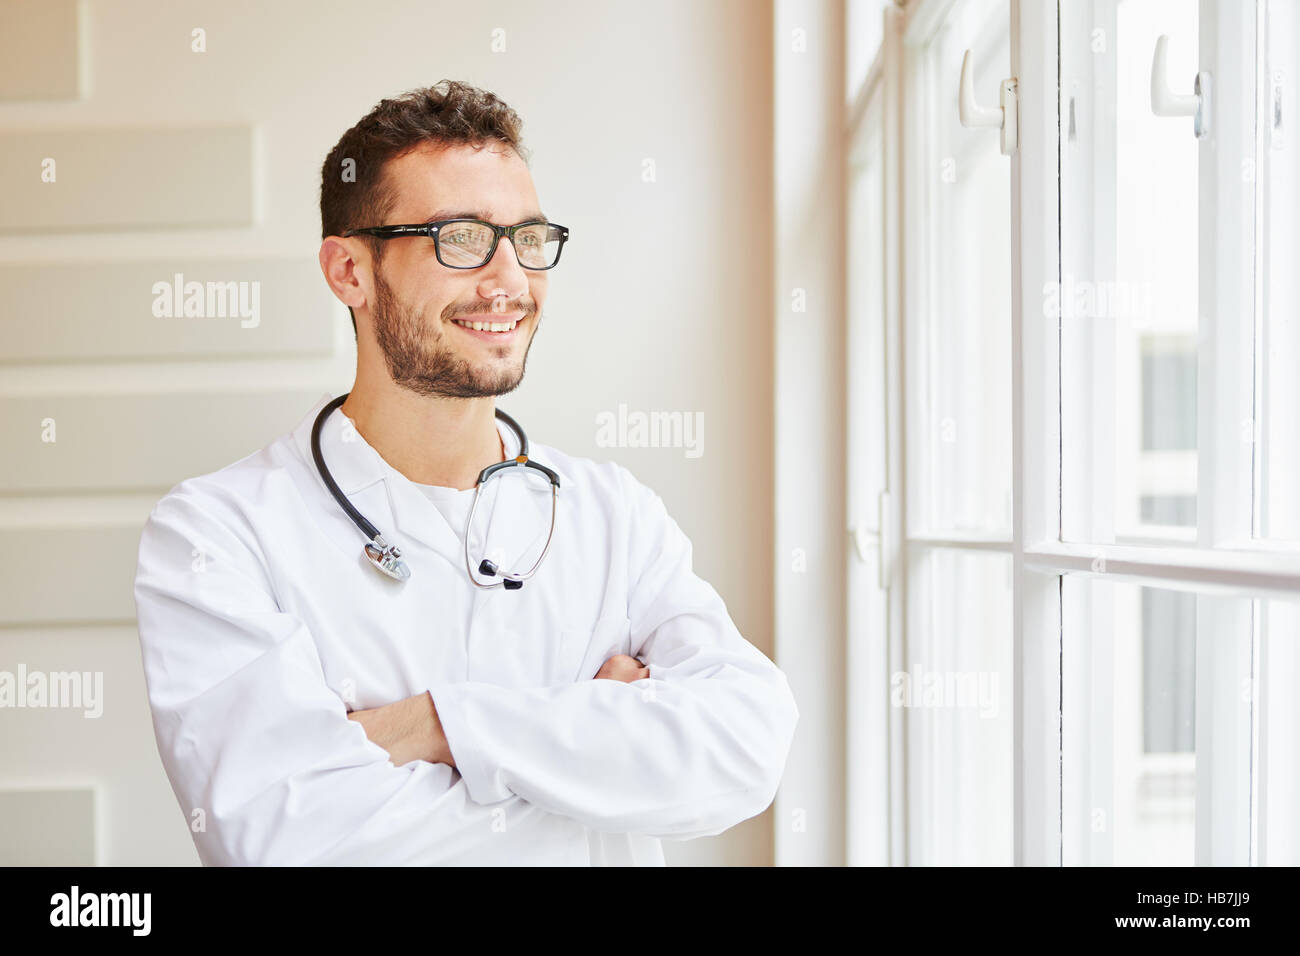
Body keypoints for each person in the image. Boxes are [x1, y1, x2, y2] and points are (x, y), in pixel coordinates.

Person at [133, 80, 798, 866]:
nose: (509, 281)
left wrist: (438, 726)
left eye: (528, 238)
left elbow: (746, 747)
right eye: (461, 239)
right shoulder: (217, 534)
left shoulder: (613, 515)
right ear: (349, 271)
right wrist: (593, 757)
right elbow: (288, 842)